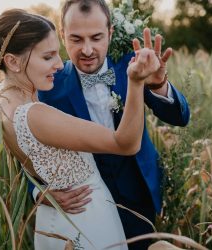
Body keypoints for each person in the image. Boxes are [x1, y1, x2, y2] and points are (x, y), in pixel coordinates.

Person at [0, 8, 161, 250]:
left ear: (109, 33)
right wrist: (136, 82)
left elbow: (28, 156)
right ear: (12, 61)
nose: (58, 64)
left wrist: (42, 192)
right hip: (86, 221)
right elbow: (125, 143)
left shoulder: (1, 102)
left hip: (58, 221)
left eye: (57, 54)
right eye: (48, 57)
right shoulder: (38, 112)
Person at [29, 0, 190, 249]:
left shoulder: (132, 65)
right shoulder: (50, 85)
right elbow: (30, 146)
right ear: (62, 35)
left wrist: (158, 84)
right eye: (76, 39)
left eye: (96, 37)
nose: (87, 49)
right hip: (86, 203)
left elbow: (180, 118)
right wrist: (40, 192)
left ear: (110, 33)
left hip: (138, 191)